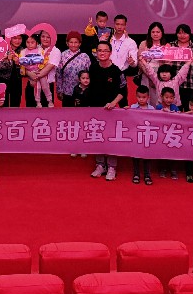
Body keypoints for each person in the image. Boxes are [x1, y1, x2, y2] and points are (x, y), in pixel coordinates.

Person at [87, 40, 125, 180]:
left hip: (111, 110)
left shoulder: (116, 71)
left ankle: (112, 167)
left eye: (105, 51)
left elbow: (123, 91)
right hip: (96, 110)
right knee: (98, 136)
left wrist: (113, 103)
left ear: (110, 53)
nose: (102, 53)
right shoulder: (92, 68)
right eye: (99, 50)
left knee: (111, 138)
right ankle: (100, 165)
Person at [171, 23, 193, 108]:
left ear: (189, 34)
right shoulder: (170, 47)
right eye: (179, 33)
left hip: (190, 85)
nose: (182, 36)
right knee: (175, 111)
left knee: (189, 111)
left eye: (185, 33)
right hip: (173, 86)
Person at [128, 85, 156, 185]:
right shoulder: (133, 107)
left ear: (148, 97)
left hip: (147, 137)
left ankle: (147, 175)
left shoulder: (152, 109)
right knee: (135, 156)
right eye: (139, 97)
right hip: (136, 136)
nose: (141, 99)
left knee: (147, 156)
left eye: (144, 97)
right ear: (136, 96)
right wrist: (125, 111)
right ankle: (136, 174)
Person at [56, 31, 91, 107]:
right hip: (67, 91)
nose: (73, 45)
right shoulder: (62, 55)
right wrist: (59, 90)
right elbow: (59, 74)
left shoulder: (85, 56)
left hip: (82, 92)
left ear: (80, 43)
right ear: (67, 43)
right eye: (71, 42)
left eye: (76, 42)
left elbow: (89, 74)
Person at [20, 33, 53, 107]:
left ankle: (50, 100)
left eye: (32, 42)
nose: (30, 44)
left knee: (45, 86)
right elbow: (21, 64)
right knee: (37, 88)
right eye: (28, 42)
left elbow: (45, 60)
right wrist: (27, 72)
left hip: (41, 72)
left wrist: (40, 69)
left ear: (37, 43)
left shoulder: (40, 50)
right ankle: (38, 102)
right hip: (31, 74)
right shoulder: (23, 52)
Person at [0, 32, 24, 108]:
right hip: (2, 79)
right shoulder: (2, 49)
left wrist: (19, 63)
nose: (17, 41)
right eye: (15, 38)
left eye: (19, 38)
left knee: (16, 104)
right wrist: (8, 61)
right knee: (3, 104)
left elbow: (26, 66)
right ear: (10, 39)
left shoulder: (23, 50)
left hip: (17, 80)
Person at [108, 14, 138, 89]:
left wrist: (132, 62)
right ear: (114, 24)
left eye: (122, 25)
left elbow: (135, 63)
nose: (119, 27)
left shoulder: (130, 42)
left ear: (125, 26)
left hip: (122, 74)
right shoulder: (108, 39)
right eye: (117, 24)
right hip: (107, 73)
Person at [137, 21, 168, 93]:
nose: (155, 34)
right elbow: (140, 62)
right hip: (146, 74)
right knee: (146, 96)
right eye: (153, 32)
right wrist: (150, 75)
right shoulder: (144, 44)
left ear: (162, 33)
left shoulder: (166, 46)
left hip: (161, 76)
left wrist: (158, 77)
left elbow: (168, 64)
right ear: (150, 33)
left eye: (158, 32)